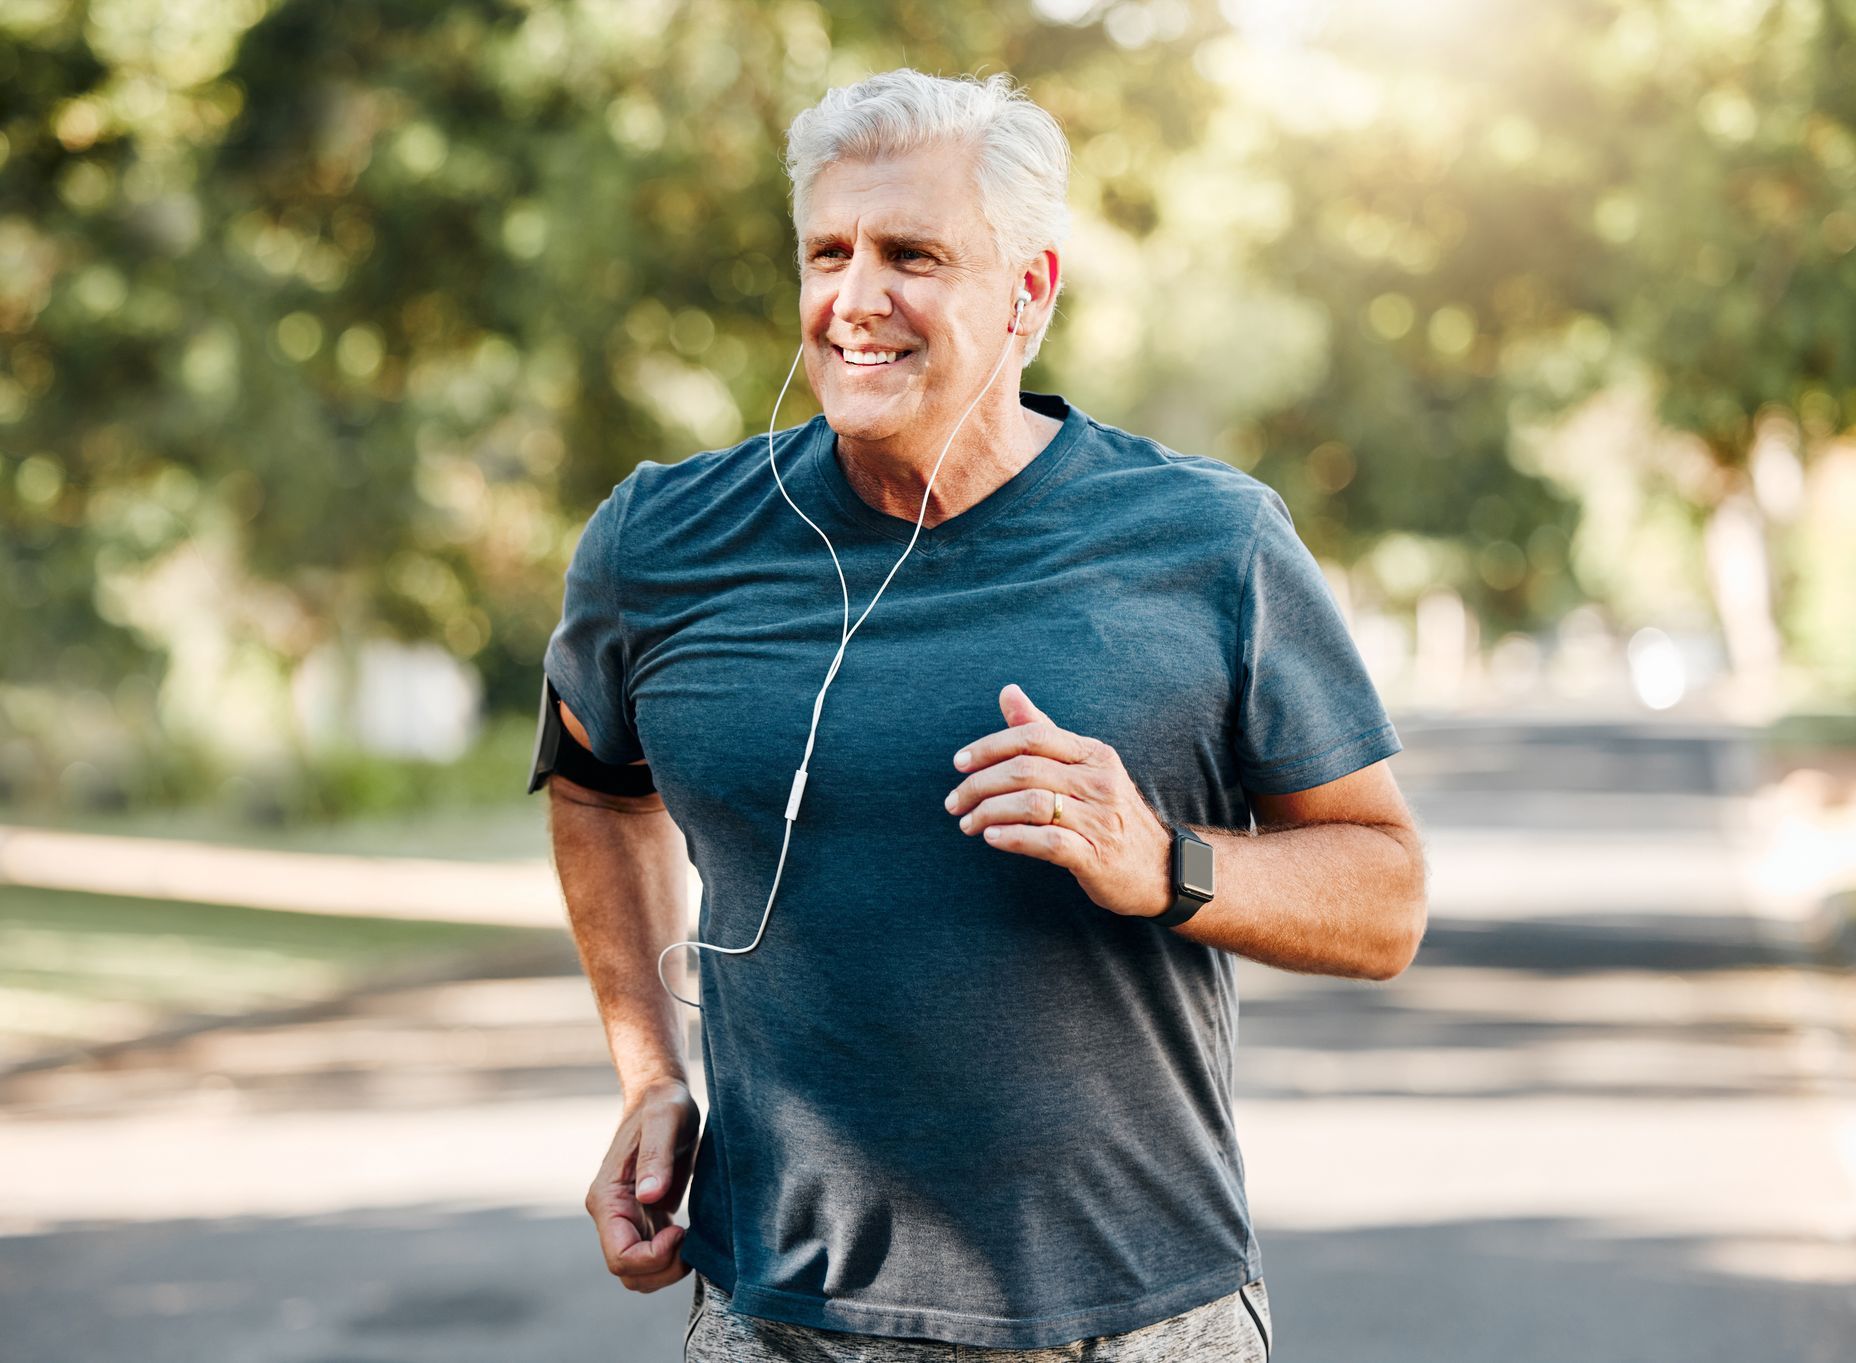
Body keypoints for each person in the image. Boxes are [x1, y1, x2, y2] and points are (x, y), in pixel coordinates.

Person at [536, 68, 1427, 1361]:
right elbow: (593, 785)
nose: (855, 300)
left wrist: (1160, 861)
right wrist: (650, 1074)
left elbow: (1386, 898)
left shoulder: (1208, 542)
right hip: (784, 1319)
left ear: (1030, 292)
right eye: (827, 252)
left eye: (912, 255)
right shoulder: (661, 543)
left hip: (1137, 1317)